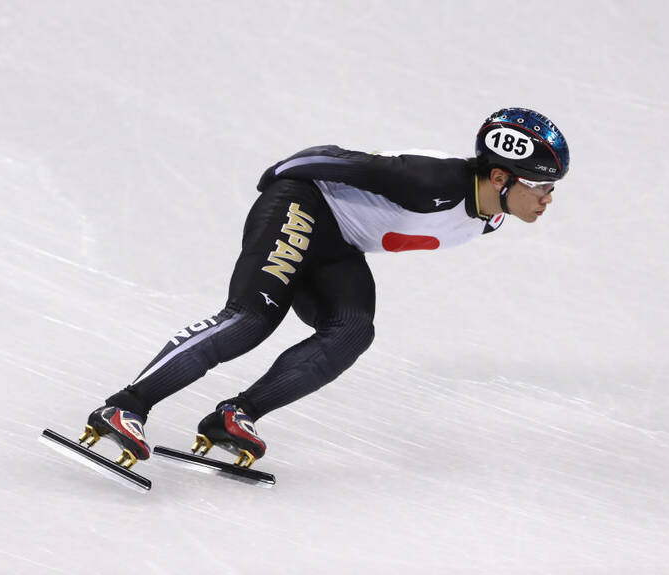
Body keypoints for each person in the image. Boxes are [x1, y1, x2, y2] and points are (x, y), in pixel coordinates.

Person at [78, 107, 571, 469]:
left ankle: (235, 416)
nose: (547, 198)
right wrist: (279, 174)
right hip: (303, 204)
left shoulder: (489, 219)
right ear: (500, 176)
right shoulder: (434, 180)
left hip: (339, 244)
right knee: (253, 318)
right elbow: (338, 159)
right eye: (540, 185)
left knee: (352, 331)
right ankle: (125, 406)